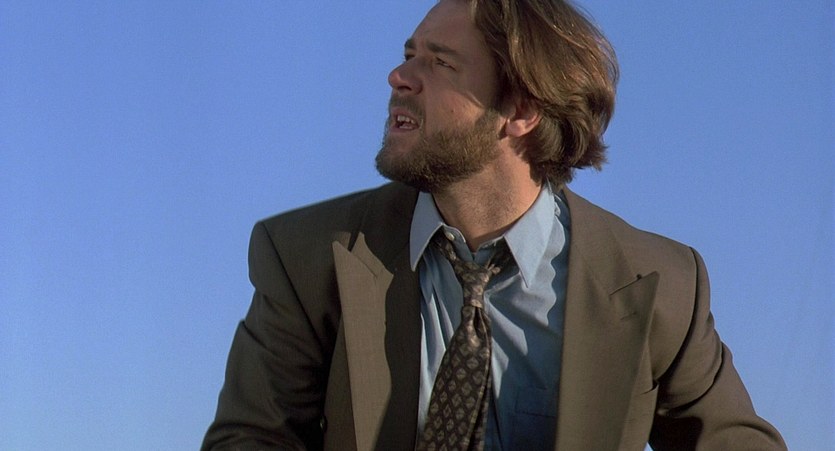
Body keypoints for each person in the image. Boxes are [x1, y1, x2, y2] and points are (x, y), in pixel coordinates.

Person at [202, 0, 786, 449]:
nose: (399, 76)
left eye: (440, 62)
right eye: (409, 54)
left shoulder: (656, 284)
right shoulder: (307, 256)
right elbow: (250, 439)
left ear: (522, 110)